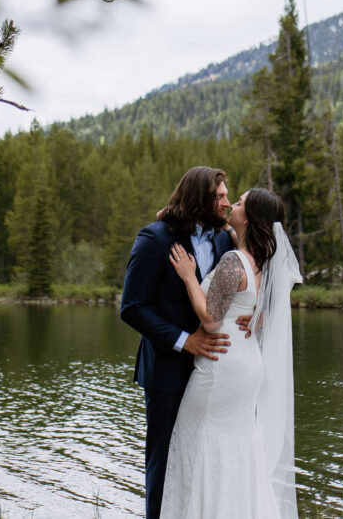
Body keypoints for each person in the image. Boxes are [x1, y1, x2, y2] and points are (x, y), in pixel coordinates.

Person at [160, 187, 301, 519]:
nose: (232, 205)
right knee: (239, 451)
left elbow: (210, 320)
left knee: (200, 444)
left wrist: (188, 278)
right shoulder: (266, 263)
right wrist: (258, 317)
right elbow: (276, 303)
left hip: (221, 368)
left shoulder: (234, 262)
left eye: (238, 203)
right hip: (248, 363)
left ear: (249, 218)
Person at [120, 166, 236, 519]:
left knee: (204, 457)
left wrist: (250, 314)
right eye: (219, 196)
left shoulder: (223, 241)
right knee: (164, 460)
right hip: (167, 372)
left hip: (212, 372)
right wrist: (184, 341)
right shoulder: (154, 239)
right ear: (199, 199)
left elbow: (243, 282)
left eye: (227, 195)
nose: (227, 202)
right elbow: (132, 307)